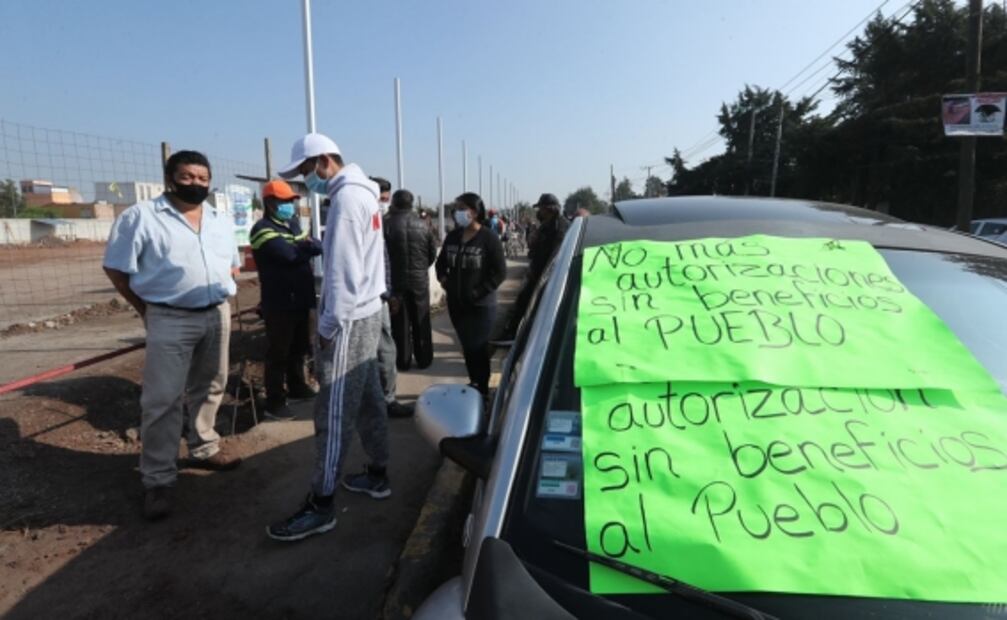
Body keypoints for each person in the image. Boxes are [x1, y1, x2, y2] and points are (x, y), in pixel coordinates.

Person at [102, 150, 242, 521]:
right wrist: (145, 309)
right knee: (162, 400)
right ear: (169, 178)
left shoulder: (219, 220)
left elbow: (232, 264)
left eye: (202, 177)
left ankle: (204, 446)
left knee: (212, 384)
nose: (196, 183)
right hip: (169, 317)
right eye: (187, 177)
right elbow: (116, 269)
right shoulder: (141, 218)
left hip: (216, 313)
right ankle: (159, 478)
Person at [268, 133, 391, 542]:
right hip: (368, 311)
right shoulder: (365, 194)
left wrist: (327, 328)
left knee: (333, 413)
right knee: (370, 397)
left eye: (305, 172)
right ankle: (378, 472)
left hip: (350, 318)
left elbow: (342, 273)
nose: (305, 182)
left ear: (323, 161)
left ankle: (321, 504)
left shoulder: (346, 200)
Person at [249, 180, 321, 420]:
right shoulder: (262, 229)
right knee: (278, 352)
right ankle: (275, 402)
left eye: (291, 200)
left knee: (300, 348)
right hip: (279, 301)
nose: (290, 204)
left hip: (301, 297)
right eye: (284, 201)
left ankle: (297, 386)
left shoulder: (292, 224)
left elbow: (315, 245)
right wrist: (305, 247)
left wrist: (305, 246)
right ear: (270, 203)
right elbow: (289, 255)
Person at [435, 193, 506, 396]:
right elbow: (441, 264)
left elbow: (499, 272)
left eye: (460, 208)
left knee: (478, 347)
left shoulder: (488, 238)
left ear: (473, 212)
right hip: (457, 304)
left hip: (481, 305)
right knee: (467, 346)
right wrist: (443, 279)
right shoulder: (453, 236)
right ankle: (474, 382)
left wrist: (478, 292)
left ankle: (482, 387)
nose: (457, 212)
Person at [384, 189, 437, 371]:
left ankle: (403, 361)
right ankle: (424, 359)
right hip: (419, 281)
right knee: (421, 320)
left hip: (396, 281)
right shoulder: (424, 225)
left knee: (400, 323)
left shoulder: (387, 224)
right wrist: (420, 268)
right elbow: (432, 254)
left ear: (395, 203)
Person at [502, 193, 568, 339]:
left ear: (549, 209)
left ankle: (514, 335)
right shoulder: (546, 225)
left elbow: (555, 254)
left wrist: (544, 274)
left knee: (528, 303)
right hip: (537, 272)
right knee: (524, 302)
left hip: (547, 275)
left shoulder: (560, 226)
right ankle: (515, 333)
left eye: (541, 209)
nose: (539, 212)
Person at [369, 176, 407, 418]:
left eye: (387, 200)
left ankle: (384, 398)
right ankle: (384, 400)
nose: (385, 203)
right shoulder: (367, 221)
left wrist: (389, 292)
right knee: (381, 351)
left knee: (384, 349)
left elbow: (383, 263)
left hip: (380, 296)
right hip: (371, 298)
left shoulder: (379, 223)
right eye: (382, 199)